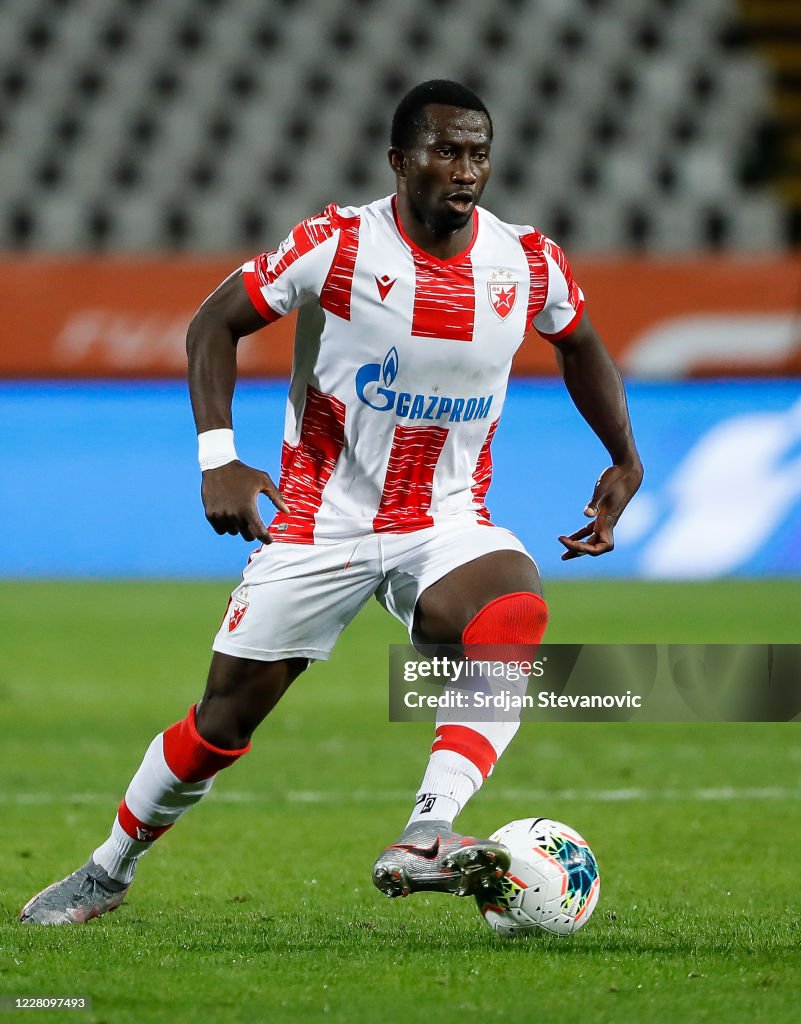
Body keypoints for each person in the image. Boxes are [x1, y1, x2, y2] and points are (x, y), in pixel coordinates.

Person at [20, 79, 642, 924]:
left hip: (443, 520)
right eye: (446, 150)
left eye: (479, 152)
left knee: (512, 609)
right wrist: (219, 459)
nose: (466, 170)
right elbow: (214, 323)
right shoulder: (338, 244)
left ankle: (429, 830)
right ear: (399, 161)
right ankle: (108, 869)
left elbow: (581, 344)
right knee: (220, 727)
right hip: (319, 524)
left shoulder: (526, 259)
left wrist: (623, 458)